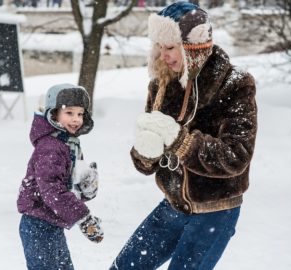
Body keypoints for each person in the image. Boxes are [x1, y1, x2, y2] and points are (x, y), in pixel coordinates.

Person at [110, 1, 257, 270]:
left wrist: (182, 142)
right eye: (159, 47)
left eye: (169, 48)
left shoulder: (235, 84)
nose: (162, 56)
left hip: (216, 210)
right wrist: (145, 152)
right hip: (173, 203)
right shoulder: (162, 82)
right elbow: (148, 160)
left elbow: (237, 156)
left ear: (194, 47)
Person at [17, 83, 103, 270]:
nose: (76, 120)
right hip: (37, 225)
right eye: (69, 113)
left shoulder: (68, 143)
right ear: (53, 114)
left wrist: (86, 187)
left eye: (80, 114)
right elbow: (51, 190)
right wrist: (83, 217)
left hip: (52, 224)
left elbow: (66, 186)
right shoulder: (50, 147)